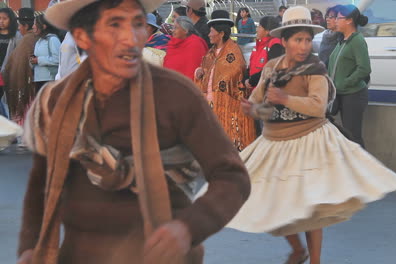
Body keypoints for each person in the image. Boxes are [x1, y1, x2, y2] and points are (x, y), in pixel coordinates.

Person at [17, 0, 250, 264]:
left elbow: (232, 176)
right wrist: (30, 247)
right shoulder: (55, 100)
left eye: (138, 24)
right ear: (83, 36)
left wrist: (188, 227)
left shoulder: (178, 94)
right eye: (114, 25)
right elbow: (40, 184)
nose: (130, 37)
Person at [227, 6, 396, 264]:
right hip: (276, 142)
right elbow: (259, 105)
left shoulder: (315, 68)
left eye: (308, 39)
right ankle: (298, 249)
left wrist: (285, 98)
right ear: (285, 40)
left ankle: (315, 260)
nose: (304, 45)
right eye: (298, 39)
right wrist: (253, 108)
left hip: (309, 139)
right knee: (273, 203)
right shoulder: (272, 68)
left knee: (310, 208)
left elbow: (318, 107)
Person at [195, 10, 255, 151]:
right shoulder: (210, 54)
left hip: (227, 108)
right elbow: (206, 71)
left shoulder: (234, 52)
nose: (209, 35)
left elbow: (234, 75)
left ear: (221, 33)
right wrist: (199, 72)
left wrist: (218, 93)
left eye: (212, 31)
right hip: (209, 104)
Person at [327, 4, 371, 148]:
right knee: (347, 136)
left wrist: (344, 83)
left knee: (353, 136)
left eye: (339, 18)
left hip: (353, 95)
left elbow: (364, 69)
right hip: (341, 94)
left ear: (349, 20)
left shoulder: (357, 40)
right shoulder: (342, 41)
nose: (336, 21)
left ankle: (362, 167)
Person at [3, 8, 38, 126]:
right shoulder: (30, 38)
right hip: (28, 85)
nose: (18, 28)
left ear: (26, 26)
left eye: (20, 25)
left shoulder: (27, 39)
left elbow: (22, 62)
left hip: (26, 86)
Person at [163, 16, 208, 80]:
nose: (173, 30)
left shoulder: (195, 44)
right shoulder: (172, 44)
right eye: (173, 27)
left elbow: (193, 70)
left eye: (176, 28)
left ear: (185, 30)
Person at [29, 14, 61, 94]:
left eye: (35, 24)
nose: (33, 27)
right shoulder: (39, 41)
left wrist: (38, 60)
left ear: (43, 26)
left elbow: (58, 59)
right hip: (39, 79)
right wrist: (32, 60)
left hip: (49, 80)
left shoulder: (53, 39)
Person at [0, 7, 22, 118]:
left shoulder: (17, 36)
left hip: (10, 75)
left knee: (10, 103)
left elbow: (20, 56)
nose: (1, 21)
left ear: (11, 20)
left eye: (4, 18)